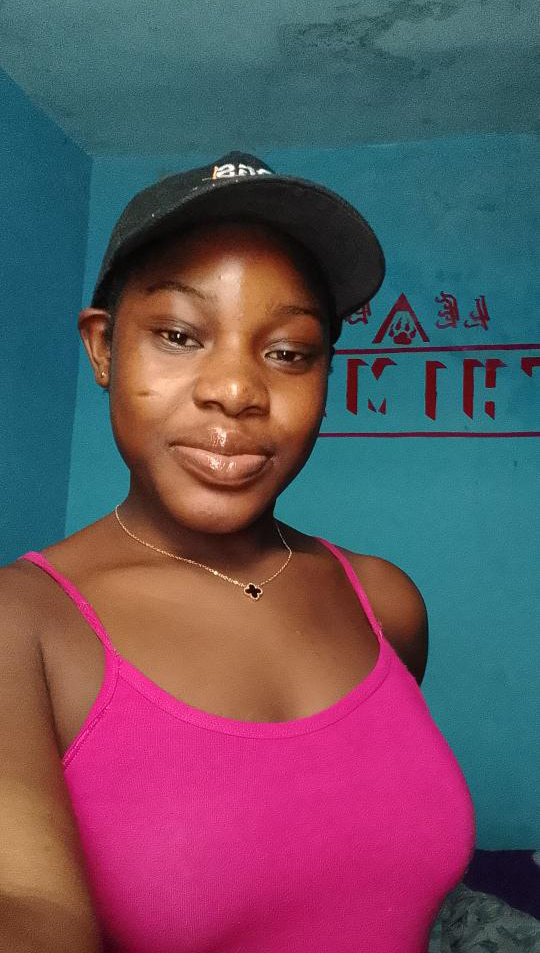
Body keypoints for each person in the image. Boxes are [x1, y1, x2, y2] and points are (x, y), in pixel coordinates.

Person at [1, 151, 476, 953]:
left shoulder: (384, 602)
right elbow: (24, 901)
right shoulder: (23, 624)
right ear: (104, 348)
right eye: (178, 335)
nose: (235, 390)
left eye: (289, 352)